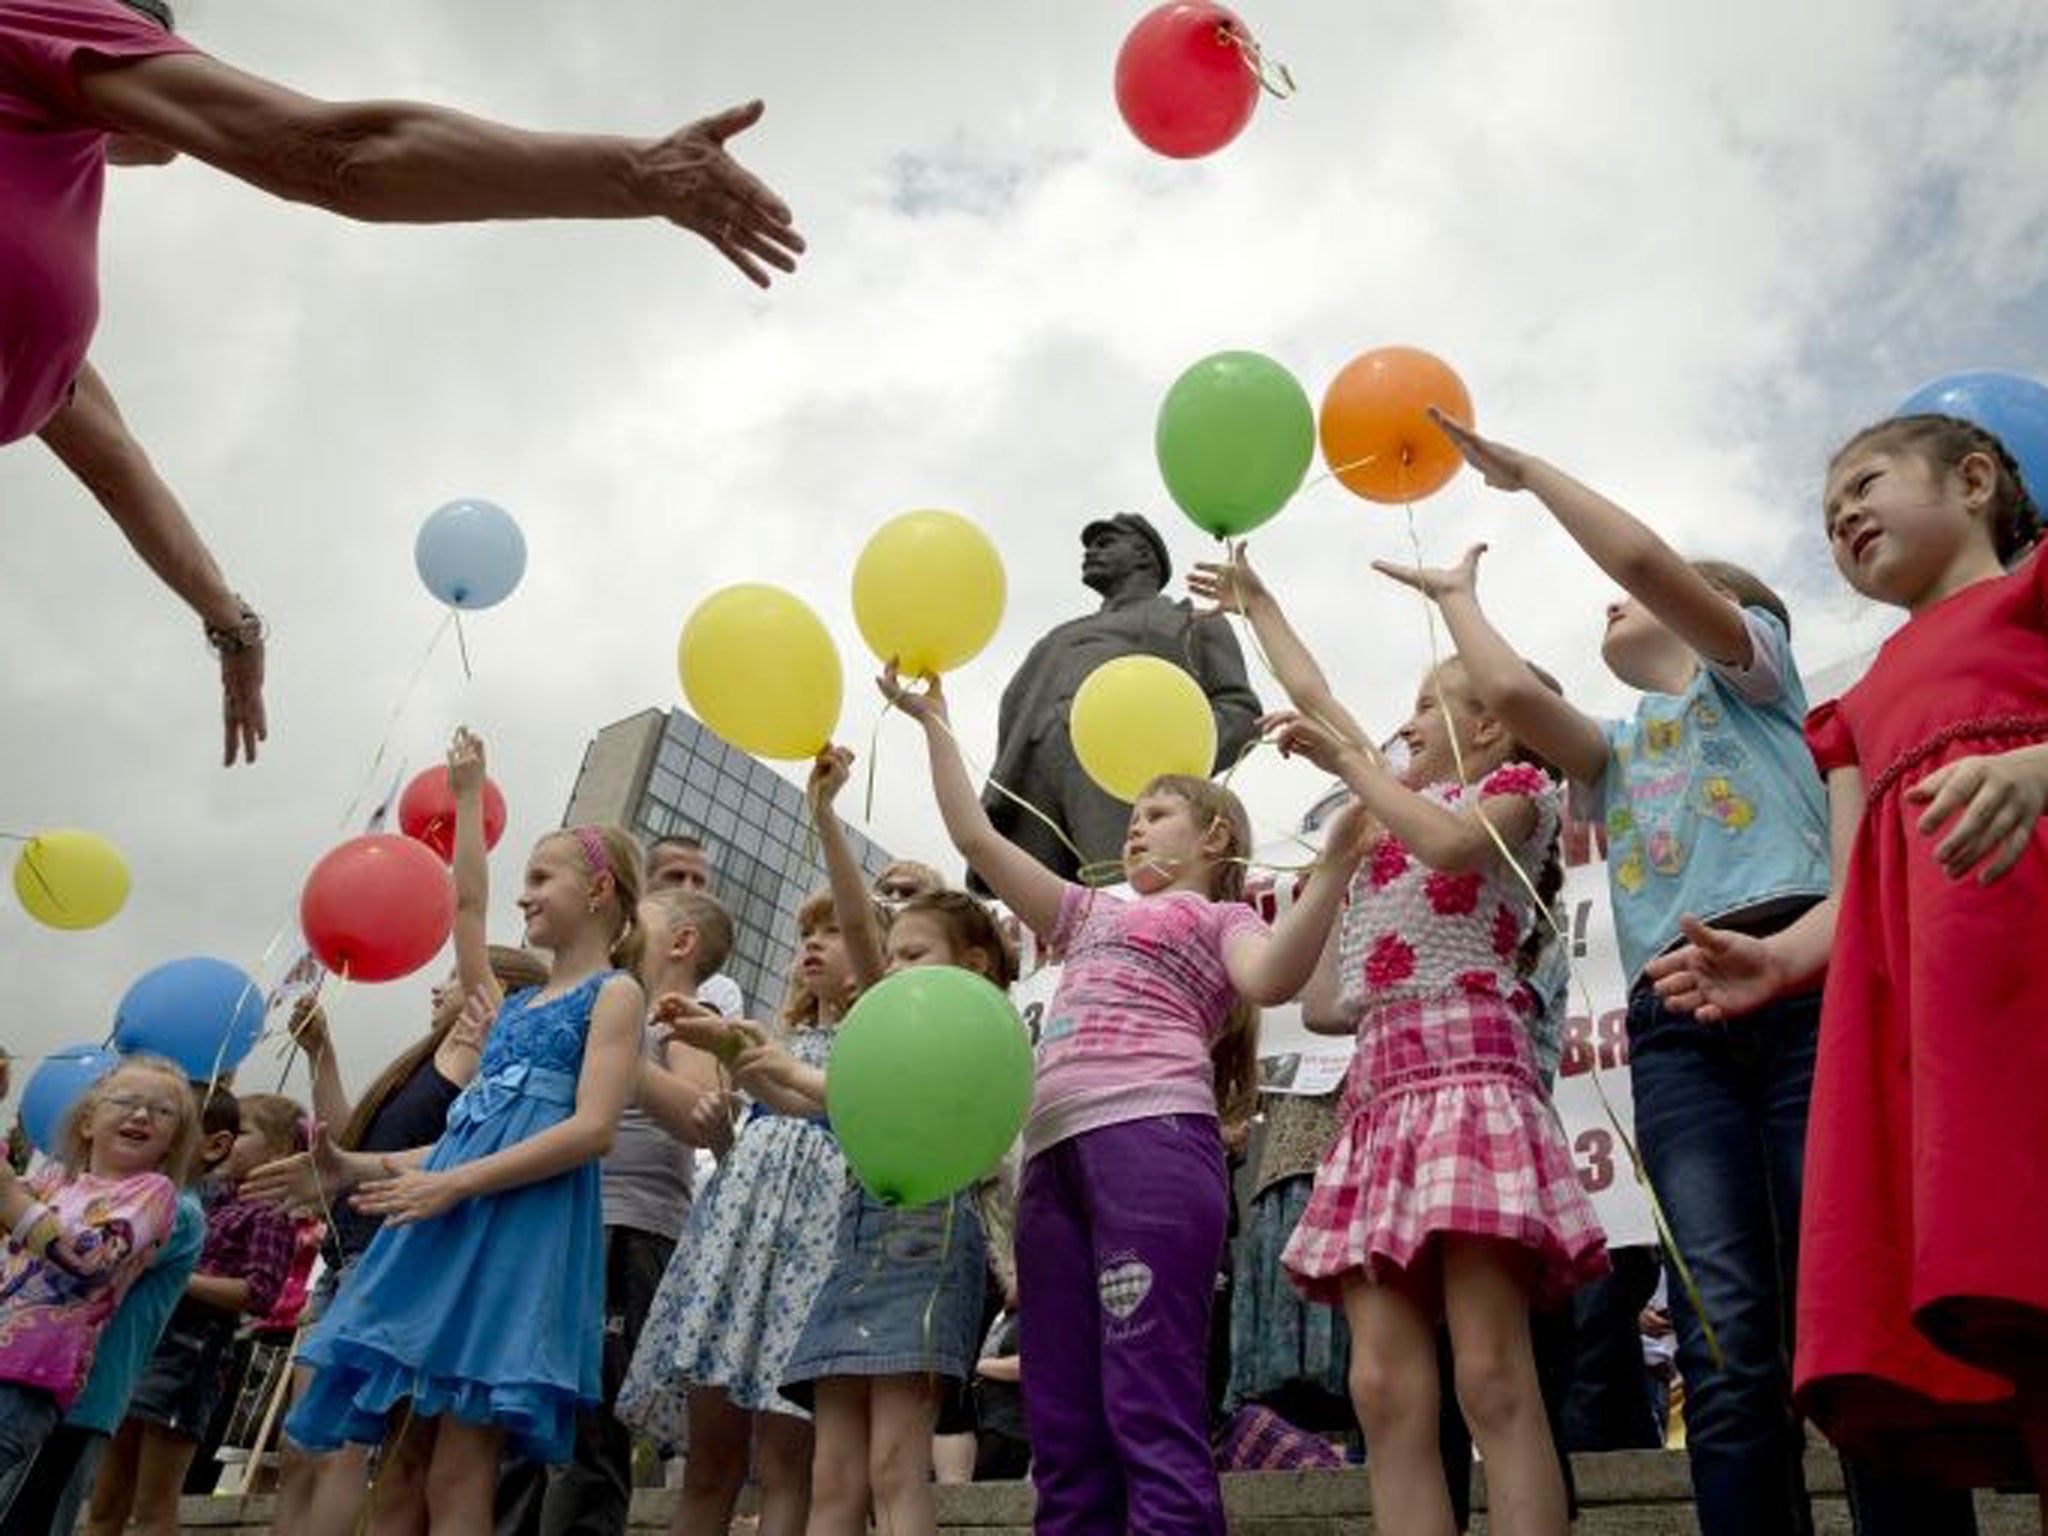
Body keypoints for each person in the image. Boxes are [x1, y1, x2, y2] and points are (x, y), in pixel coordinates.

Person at [1396, 412, 1973, 1535]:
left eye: (1637, 600)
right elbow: (1513, 701)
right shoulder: (1610, 748)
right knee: (1720, 1332)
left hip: (1807, 1000)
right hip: (1678, 1029)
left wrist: (1527, 475)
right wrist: (1454, 598)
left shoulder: (1759, 685)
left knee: (1845, 1315)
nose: (1611, 605)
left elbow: (1645, 563)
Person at [1, 0, 804, 763]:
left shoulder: (46, 214)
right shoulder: (45, 18)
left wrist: (232, 623)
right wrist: (636, 172)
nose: (160, 98)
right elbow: (335, 157)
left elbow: (115, 466)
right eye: (148, 56)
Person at [1650, 414, 2048, 1505]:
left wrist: (2036, 770)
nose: (1843, 520)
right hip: (1946, 1042)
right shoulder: (1854, 707)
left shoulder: (2034, 595)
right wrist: (1779, 962)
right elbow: (1860, 872)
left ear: (1972, 480)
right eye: (1828, 522)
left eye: (1864, 486)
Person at [882, 660, 1367, 1535]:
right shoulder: (1086, 912)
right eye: (1133, 819)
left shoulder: (1224, 921)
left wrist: (1331, 870)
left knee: (1149, 1405)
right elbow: (980, 842)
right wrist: (936, 725)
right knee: (1062, 1427)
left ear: (1215, 835)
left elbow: (1273, 976)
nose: (1134, 831)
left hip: (1150, 1145)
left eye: (1156, 816)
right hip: (1053, 1166)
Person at [1194, 551, 1604, 1536]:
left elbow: (1452, 849)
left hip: (1470, 1086)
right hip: (1377, 1104)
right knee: (1380, 1387)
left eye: (1430, 702)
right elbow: (1315, 698)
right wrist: (1261, 603)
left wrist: (1351, 771)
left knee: (1491, 1372)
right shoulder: (1377, 826)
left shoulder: (1514, 795)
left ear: (1490, 725)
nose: (1404, 719)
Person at [280, 823, 648, 1534]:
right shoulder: (507, 1013)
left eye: (543, 878)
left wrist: (455, 1185)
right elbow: (462, 1135)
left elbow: (591, 1129)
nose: (525, 894)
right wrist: (349, 1166)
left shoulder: (615, 994)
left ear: (600, 890)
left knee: (460, 1469)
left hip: (515, 1239)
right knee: (402, 1466)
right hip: (451, 1233)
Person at [252, 728, 545, 1536]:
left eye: (457, 979)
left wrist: (462, 801)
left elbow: (468, 909)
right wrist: (323, 1052)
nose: (442, 986)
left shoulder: (490, 1050)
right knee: (301, 1442)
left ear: (494, 997)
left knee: (347, 1449)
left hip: (400, 1256)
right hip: (345, 1257)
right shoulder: (421, 1061)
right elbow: (346, 1141)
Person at [741, 746, 1010, 1536]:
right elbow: (861, 923)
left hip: (931, 1247)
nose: (892, 969)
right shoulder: (886, 1020)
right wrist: (824, 816)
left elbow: (883, 1101)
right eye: (890, 960)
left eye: (914, 955)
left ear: (975, 963)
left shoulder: (975, 1032)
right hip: (857, 1250)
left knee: (897, 1465)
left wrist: (785, 1066)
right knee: (833, 1475)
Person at [617, 881, 861, 1536]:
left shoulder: (877, 1038)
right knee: (709, 1462)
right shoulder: (786, 1033)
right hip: (739, 1242)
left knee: (786, 1462)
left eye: (834, 931)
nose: (813, 942)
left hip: (811, 1253)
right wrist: (729, 1058)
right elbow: (769, 1098)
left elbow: (816, 1105)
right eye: (808, 931)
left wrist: (734, 1050)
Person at [500, 884, 737, 1536]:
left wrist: (619, 1048)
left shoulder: (685, 1016)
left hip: (626, 1227)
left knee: (590, 1423)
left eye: (638, 921)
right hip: (554, 1220)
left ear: (682, 943)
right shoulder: (600, 999)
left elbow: (700, 1112)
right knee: (517, 1415)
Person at [981, 513, 1261, 882]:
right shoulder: (1059, 636)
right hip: (1034, 778)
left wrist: (1167, 761)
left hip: (1123, 782)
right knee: (1043, 922)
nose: (1090, 553)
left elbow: (1241, 712)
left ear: (1144, 555)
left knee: (1124, 905)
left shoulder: (1193, 620)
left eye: (1106, 543)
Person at [87, 1089, 300, 1535]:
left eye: (240, 1133)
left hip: (190, 1359)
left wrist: (180, 1278)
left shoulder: (268, 1213)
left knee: (154, 1505)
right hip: (142, 1347)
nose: (223, 1142)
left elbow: (258, 1292)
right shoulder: (203, 1199)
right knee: (104, 1498)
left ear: (279, 1150)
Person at [0, 1055, 196, 1521]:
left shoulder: (151, 1194)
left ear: (173, 1142)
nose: (142, 1114)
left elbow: (91, 1259)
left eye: (162, 1110)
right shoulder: (50, 1182)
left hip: (28, 1377)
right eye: (125, 1100)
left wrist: (12, 1201)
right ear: (87, 1122)